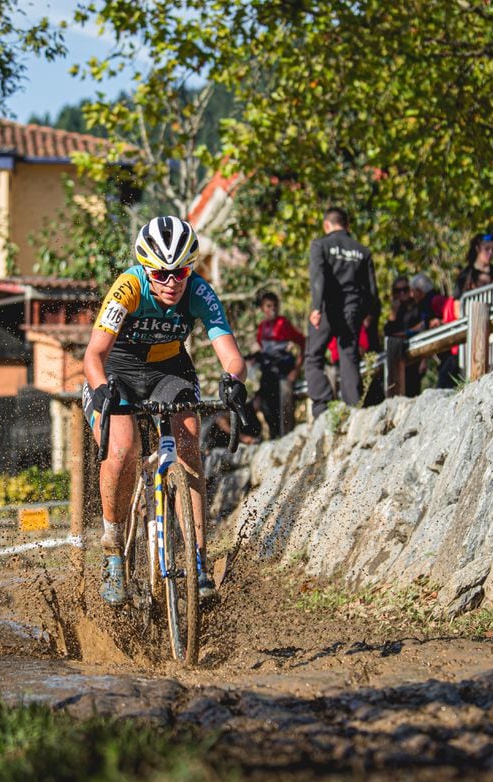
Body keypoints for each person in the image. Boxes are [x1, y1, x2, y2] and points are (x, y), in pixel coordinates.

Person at [82, 215, 250, 607]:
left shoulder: (199, 292)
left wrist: (233, 380)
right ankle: (113, 555)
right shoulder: (128, 286)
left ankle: (198, 561)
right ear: (145, 268)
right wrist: (103, 390)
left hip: (168, 370)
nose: (171, 283)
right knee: (122, 448)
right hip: (117, 369)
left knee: (189, 441)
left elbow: (232, 357)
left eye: (181, 273)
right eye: (161, 274)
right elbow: (93, 355)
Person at [304, 207, 379, 417]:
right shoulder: (362, 251)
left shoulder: (320, 245)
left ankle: (322, 405)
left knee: (313, 356)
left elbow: (318, 278)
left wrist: (317, 308)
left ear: (327, 225)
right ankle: (354, 407)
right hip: (352, 309)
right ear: (347, 225)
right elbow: (372, 292)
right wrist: (361, 313)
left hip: (328, 307)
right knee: (349, 355)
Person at [252, 290, 305, 438]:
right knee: (263, 404)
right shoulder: (262, 327)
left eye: (275, 305)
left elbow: (303, 342)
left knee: (285, 401)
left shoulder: (283, 323)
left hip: (284, 371)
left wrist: (296, 369)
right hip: (268, 372)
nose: (272, 309)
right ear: (262, 308)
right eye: (269, 306)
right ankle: (274, 436)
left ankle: (288, 436)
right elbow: (261, 350)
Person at [454, 233, 493, 298]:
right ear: (477, 248)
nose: (491, 253)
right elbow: (457, 301)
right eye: (487, 249)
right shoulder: (465, 274)